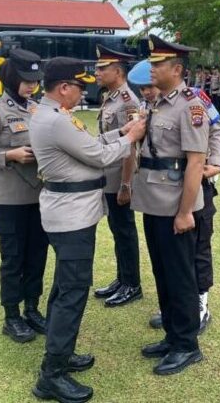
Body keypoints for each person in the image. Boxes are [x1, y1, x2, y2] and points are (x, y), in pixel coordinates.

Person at [29, 57, 146, 403]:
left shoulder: (53, 115)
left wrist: (120, 132)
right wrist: (132, 136)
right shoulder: (55, 119)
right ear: (63, 88)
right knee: (73, 292)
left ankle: (59, 353)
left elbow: (86, 142)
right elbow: (97, 156)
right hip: (72, 216)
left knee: (64, 286)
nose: (83, 92)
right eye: (79, 86)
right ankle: (52, 374)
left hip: (67, 213)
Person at [131, 35, 209, 376]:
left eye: (158, 64)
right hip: (153, 201)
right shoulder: (158, 103)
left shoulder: (190, 107)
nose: (152, 69)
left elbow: (195, 163)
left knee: (180, 276)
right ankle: (172, 335)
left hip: (175, 204)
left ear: (176, 69)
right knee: (163, 273)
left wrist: (185, 211)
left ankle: (187, 345)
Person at [0, 48, 48, 344]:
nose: (31, 85)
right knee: (13, 260)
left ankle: (32, 308)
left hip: (38, 199)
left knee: (37, 258)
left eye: (34, 80)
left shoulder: (36, 109)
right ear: (10, 78)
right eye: (25, 80)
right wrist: (11, 155)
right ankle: (11, 316)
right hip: (8, 201)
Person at [92, 45, 143, 308]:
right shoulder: (110, 97)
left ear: (118, 71)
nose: (97, 72)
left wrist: (126, 184)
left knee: (124, 230)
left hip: (119, 177)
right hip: (108, 174)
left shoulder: (127, 102)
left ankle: (132, 284)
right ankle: (122, 278)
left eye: (102, 68)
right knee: (117, 229)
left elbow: (130, 147)